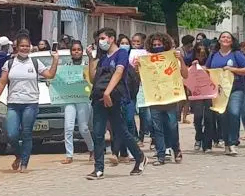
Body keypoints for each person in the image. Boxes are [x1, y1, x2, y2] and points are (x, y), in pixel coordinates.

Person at [0, 34, 59, 173]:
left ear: (30, 47)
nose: (24, 48)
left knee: (27, 133)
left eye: (27, 46)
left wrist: (55, 60)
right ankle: (18, 155)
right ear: (17, 47)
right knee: (12, 134)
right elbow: (2, 82)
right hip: (13, 104)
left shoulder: (35, 63)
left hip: (30, 103)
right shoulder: (9, 63)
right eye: (22, 46)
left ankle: (24, 163)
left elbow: (50, 75)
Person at [86, 28, 148, 179]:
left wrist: (108, 92)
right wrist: (91, 59)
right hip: (99, 98)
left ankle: (139, 157)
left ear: (111, 38)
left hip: (114, 98)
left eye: (103, 38)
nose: (101, 42)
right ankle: (99, 168)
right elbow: (94, 79)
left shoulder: (121, 54)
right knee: (98, 132)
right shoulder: (103, 58)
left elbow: (119, 73)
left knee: (120, 130)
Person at [205, 32, 245, 157]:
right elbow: (207, 69)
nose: (225, 39)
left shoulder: (237, 54)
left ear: (232, 41)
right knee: (222, 116)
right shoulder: (213, 55)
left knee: (234, 112)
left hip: (236, 89)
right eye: (223, 37)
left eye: (228, 37)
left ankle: (232, 142)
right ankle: (226, 143)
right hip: (219, 91)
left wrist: (233, 69)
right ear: (219, 41)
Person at [145, 33, 188, 165]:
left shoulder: (173, 57)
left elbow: (185, 75)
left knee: (172, 126)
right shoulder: (147, 59)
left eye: (160, 44)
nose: (157, 47)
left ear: (165, 44)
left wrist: (181, 60)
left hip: (170, 98)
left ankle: (176, 149)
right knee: (157, 127)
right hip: (155, 98)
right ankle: (161, 155)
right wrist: (138, 66)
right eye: (154, 45)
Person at [62, 40, 94, 164]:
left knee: (84, 128)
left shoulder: (86, 65)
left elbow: (91, 80)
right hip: (70, 99)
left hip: (83, 99)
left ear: (82, 51)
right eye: (74, 50)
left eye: (78, 50)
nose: (76, 52)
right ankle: (69, 155)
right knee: (68, 127)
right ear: (71, 52)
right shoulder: (66, 67)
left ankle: (92, 149)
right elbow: (60, 81)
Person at [188, 43, 218, 152]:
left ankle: (207, 144)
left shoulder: (210, 62)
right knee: (198, 117)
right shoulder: (189, 60)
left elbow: (215, 72)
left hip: (209, 93)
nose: (201, 56)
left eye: (203, 54)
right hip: (196, 93)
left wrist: (205, 68)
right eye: (199, 54)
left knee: (209, 118)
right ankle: (198, 137)